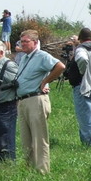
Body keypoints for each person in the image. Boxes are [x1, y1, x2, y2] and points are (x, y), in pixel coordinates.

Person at [15, 30, 65, 173]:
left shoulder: (42, 56)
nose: (23, 44)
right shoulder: (25, 57)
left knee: (39, 138)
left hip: (36, 99)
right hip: (23, 100)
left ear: (35, 43)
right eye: (21, 42)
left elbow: (60, 66)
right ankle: (29, 168)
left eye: (26, 41)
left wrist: (45, 81)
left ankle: (42, 170)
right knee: (26, 139)